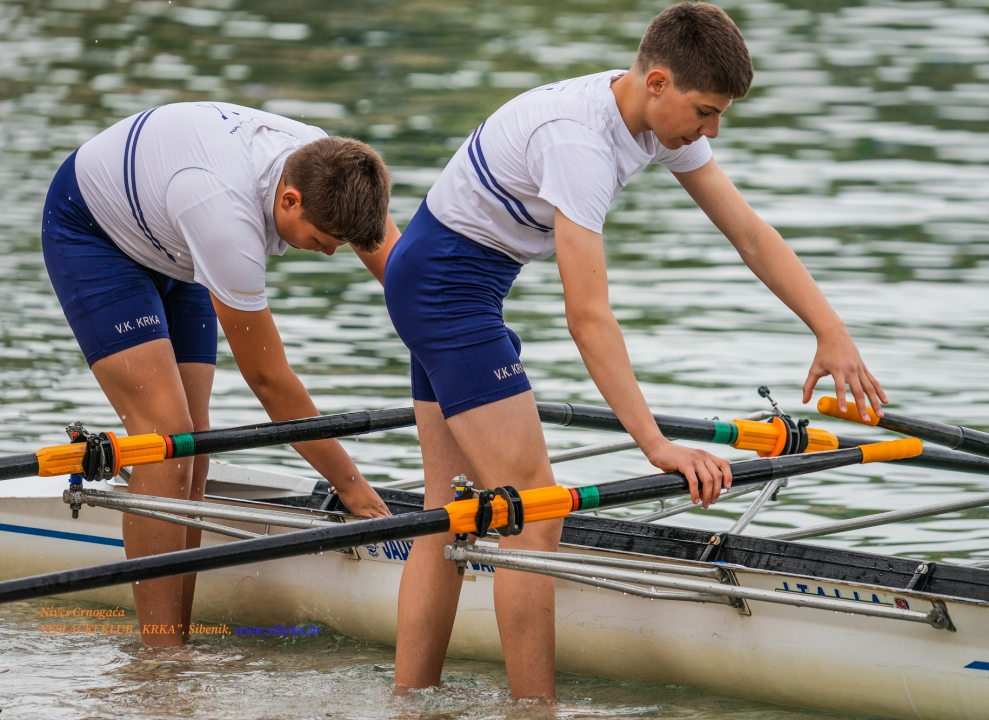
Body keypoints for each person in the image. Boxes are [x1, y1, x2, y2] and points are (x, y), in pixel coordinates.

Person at [382, 1, 888, 700]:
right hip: (445, 291)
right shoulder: (579, 145)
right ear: (656, 82)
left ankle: (410, 701)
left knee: (452, 508)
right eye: (705, 111)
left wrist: (828, 330)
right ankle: (534, 711)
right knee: (538, 509)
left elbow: (747, 231)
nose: (709, 131)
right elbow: (587, 317)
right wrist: (653, 443)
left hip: (439, 277)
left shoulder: (653, 116)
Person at [41, 101, 398, 646]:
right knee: (163, 439)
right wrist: (350, 486)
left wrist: (451, 344)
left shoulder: (331, 165)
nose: (330, 254)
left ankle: (177, 635)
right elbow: (270, 383)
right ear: (289, 199)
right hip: (93, 232)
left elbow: (399, 269)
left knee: (196, 445)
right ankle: (162, 657)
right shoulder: (224, 218)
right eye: (325, 240)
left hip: (171, 229)